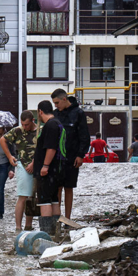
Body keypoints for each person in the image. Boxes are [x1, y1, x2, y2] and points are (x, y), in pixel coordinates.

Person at [51, 89, 90, 220]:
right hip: (57, 158)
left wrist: (81, 155)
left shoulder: (79, 113)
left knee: (69, 187)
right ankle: (57, 217)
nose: (56, 106)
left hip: (73, 157)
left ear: (64, 99)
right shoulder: (55, 114)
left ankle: (67, 218)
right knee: (57, 188)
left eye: (57, 102)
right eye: (54, 103)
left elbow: (84, 135)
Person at [0, 110, 38, 232]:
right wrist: (10, 157)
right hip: (22, 164)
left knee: (32, 196)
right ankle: (18, 226)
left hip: (36, 166)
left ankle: (28, 225)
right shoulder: (18, 130)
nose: (25, 127)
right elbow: (3, 140)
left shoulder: (39, 131)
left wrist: (34, 163)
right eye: (23, 124)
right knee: (22, 195)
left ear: (32, 121)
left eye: (27, 125)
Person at [33, 100, 64, 234]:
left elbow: (50, 148)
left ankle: (47, 233)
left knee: (45, 201)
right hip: (56, 169)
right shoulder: (57, 123)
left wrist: (45, 166)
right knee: (54, 199)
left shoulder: (50, 125)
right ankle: (56, 231)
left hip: (48, 170)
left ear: (40, 111)